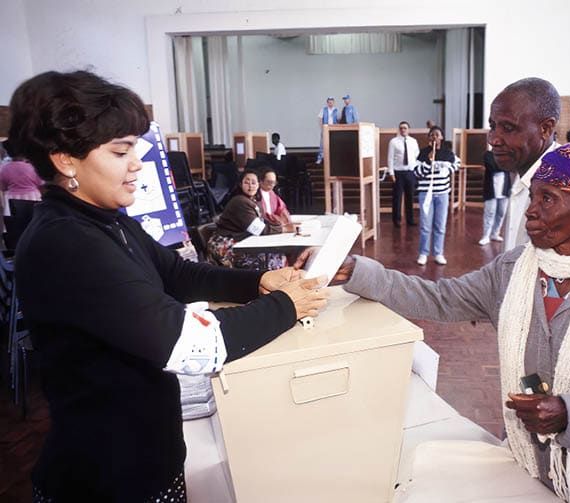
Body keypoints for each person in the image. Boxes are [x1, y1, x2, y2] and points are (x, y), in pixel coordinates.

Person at [7, 70, 329, 503]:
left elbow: (179, 274)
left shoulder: (105, 220)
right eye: (120, 152)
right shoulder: (64, 241)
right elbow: (191, 344)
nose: (137, 164)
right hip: (106, 477)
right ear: (66, 160)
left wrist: (259, 282)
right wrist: (286, 307)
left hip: (145, 458)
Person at [308, 142, 570, 502]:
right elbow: (438, 298)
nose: (529, 211)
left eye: (548, 198)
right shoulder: (513, 270)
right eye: (532, 196)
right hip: (524, 467)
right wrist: (360, 271)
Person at [487, 77, 561, 252]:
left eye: (508, 128)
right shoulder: (524, 173)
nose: (494, 140)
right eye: (492, 126)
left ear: (546, 129)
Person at [208, 169, 293, 270]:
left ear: (258, 184)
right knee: (273, 259)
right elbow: (259, 229)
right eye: (246, 182)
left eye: (253, 182)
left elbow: (263, 221)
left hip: (238, 241)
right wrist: (284, 229)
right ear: (240, 184)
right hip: (224, 246)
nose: (250, 186)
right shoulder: (240, 202)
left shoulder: (252, 201)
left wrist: (282, 226)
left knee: (277, 255)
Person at [413, 126, 458, 266]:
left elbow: (457, 164)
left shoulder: (447, 153)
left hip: (442, 193)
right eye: (432, 135)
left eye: (437, 135)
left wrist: (447, 169)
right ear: (429, 138)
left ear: (442, 138)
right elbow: (417, 173)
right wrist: (428, 162)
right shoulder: (423, 153)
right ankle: (423, 253)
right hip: (426, 194)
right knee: (425, 226)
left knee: (440, 225)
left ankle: (438, 253)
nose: (434, 137)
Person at [387, 121, 420, 227]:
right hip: (398, 173)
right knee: (397, 198)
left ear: (408, 129)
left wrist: (416, 170)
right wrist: (391, 173)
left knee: (410, 197)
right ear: (399, 129)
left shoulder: (413, 141)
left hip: (410, 172)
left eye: (405, 128)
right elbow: (390, 158)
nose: (403, 130)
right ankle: (396, 220)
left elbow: (417, 156)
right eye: (401, 128)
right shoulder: (393, 142)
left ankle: (410, 220)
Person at [0, 143, 44, 216]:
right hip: (32, 197)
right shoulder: (32, 167)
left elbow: (2, 187)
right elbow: (40, 183)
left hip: (12, 199)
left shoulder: (5, 168)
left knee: (14, 224)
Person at [478, 149, 510, 246]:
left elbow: (510, 167)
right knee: (490, 213)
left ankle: (495, 233)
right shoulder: (487, 154)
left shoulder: (507, 153)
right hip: (491, 189)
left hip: (504, 188)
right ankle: (485, 236)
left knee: (501, 213)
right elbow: (492, 167)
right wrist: (504, 165)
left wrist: (504, 166)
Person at [316, 97, 338, 163]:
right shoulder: (324, 109)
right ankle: (320, 158)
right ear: (327, 102)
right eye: (329, 102)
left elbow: (339, 119)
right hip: (325, 128)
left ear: (333, 102)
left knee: (334, 143)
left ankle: (333, 158)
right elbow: (320, 119)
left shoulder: (336, 110)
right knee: (322, 144)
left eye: (331, 102)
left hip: (333, 129)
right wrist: (322, 128)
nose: (330, 103)